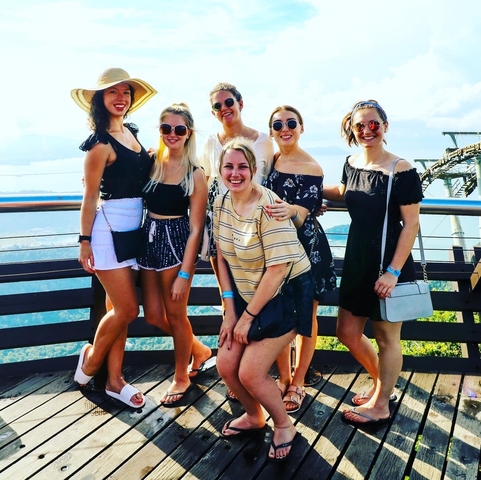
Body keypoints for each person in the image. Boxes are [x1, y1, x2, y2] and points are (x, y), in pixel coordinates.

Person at [323, 100, 423, 426]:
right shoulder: (351, 163)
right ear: (351, 129)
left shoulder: (402, 169)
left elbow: (411, 224)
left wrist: (393, 272)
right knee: (346, 331)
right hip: (357, 260)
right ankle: (384, 386)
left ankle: (381, 405)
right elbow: (343, 190)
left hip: (388, 262)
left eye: (373, 124)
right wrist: (308, 196)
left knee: (386, 338)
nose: (367, 130)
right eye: (359, 125)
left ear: (385, 125)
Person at [214, 137, 314, 461]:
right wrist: (230, 310)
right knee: (226, 365)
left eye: (242, 166)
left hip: (285, 295)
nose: (235, 173)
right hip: (247, 296)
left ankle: (284, 425)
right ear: (220, 170)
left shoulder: (268, 207)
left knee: (250, 372)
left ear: (254, 170)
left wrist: (246, 318)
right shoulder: (221, 203)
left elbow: (278, 269)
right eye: (228, 166)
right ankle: (255, 416)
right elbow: (220, 257)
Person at [71, 67, 157, 408]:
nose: (120, 97)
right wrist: (84, 241)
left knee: (115, 309)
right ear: (99, 100)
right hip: (107, 231)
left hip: (134, 229)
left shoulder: (132, 134)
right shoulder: (99, 145)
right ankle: (91, 361)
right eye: (112, 92)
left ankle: (115, 380)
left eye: (126, 92)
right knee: (127, 309)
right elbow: (90, 197)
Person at [200, 81, 274, 401]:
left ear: (240, 102)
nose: (223, 109)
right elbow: (202, 180)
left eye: (227, 102)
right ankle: (239, 372)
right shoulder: (209, 144)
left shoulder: (263, 142)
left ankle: (269, 373)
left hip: (257, 221)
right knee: (228, 285)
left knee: (263, 289)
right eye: (216, 106)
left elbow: (275, 180)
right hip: (222, 218)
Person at [137, 103, 213, 407]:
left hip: (176, 243)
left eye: (179, 129)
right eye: (166, 128)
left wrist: (185, 272)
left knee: (176, 315)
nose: (172, 134)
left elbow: (196, 229)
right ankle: (200, 350)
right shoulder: (151, 163)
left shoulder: (195, 175)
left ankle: (182, 375)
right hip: (148, 239)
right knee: (153, 315)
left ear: (188, 133)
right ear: (159, 131)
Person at [264, 105, 337, 414]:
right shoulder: (272, 159)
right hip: (274, 246)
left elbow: (302, 216)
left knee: (307, 314)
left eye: (291, 123)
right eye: (278, 124)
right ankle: (282, 376)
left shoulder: (312, 167)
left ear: (301, 127)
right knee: (280, 312)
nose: (285, 128)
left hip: (306, 246)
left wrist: (291, 209)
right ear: (271, 131)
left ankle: (298, 381)